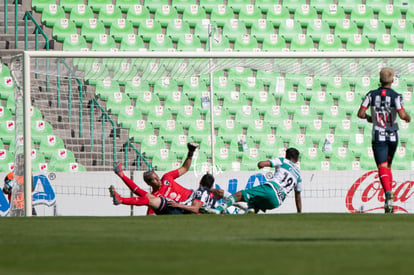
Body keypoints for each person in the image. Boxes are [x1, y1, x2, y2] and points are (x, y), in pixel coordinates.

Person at [357, 67, 411, 213]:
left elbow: (360, 113)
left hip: (379, 135)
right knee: (387, 165)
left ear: (379, 80)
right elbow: (401, 114)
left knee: (382, 166)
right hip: (393, 136)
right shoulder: (396, 96)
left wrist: (370, 118)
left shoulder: (371, 95)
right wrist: (407, 117)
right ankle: (390, 200)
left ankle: (388, 194)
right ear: (392, 80)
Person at [112, 142, 199, 215]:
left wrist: (190, 152)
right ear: (148, 183)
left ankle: (121, 196)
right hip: (184, 208)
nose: (156, 179)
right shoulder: (155, 196)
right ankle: (120, 195)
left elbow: (184, 168)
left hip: (193, 198)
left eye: (156, 177)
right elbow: (138, 191)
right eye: (152, 179)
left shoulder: (167, 177)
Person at [214, 147, 302, 214]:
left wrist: (260, 164)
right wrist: (299, 213)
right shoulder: (298, 175)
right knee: (254, 205)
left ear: (286, 156)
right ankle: (251, 210)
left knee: (239, 195)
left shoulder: (283, 161)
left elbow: (262, 164)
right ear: (297, 160)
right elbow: (298, 197)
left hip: (271, 189)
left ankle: (218, 209)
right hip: (277, 202)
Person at [109, 173, 217, 215]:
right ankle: (121, 178)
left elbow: (195, 208)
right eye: (155, 179)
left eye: (157, 177)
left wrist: (178, 205)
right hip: (177, 208)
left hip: (180, 208)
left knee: (150, 199)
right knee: (150, 198)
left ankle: (121, 199)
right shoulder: (211, 194)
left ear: (200, 182)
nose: (158, 179)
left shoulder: (200, 192)